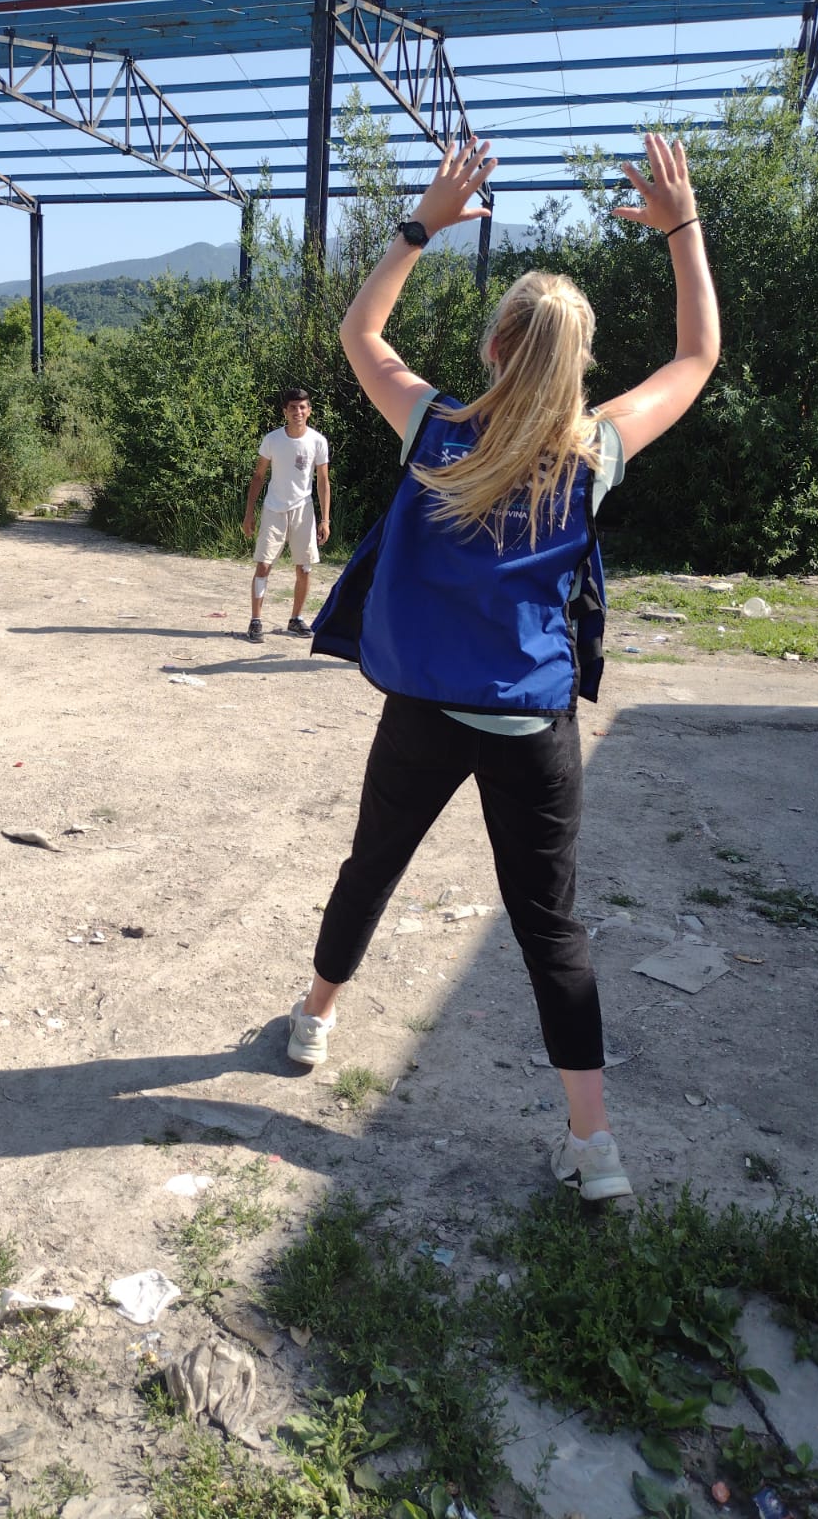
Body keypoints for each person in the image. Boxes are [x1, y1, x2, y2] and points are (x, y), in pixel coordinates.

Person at [287, 134, 720, 1202]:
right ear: (578, 366)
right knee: (550, 926)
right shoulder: (593, 451)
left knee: (371, 865)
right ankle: (594, 1147)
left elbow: (360, 332)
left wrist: (421, 225)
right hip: (530, 723)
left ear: (492, 348)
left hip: (425, 708)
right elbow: (695, 358)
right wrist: (681, 228)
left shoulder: (434, 428)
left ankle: (314, 1019)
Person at [242, 388, 331, 643]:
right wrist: (249, 514)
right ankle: (255, 620)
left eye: (302, 407)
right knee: (264, 564)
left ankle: (296, 618)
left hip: (303, 509)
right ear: (285, 411)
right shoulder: (272, 439)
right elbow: (258, 476)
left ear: (309, 411)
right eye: (293, 407)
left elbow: (323, 481)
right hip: (274, 508)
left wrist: (325, 519)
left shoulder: (317, 441)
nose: (297, 412)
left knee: (304, 567)